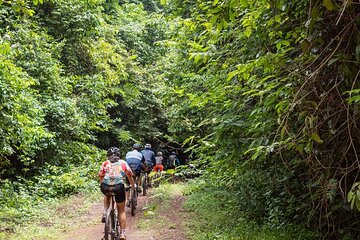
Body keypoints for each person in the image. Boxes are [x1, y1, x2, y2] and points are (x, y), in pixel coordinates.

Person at [98, 147, 134, 240]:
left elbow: (100, 175)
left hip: (105, 187)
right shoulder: (123, 163)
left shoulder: (105, 163)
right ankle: (122, 233)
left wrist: (102, 184)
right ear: (119, 155)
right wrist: (133, 186)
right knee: (121, 211)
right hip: (118, 187)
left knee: (107, 193)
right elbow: (129, 175)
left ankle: (105, 212)